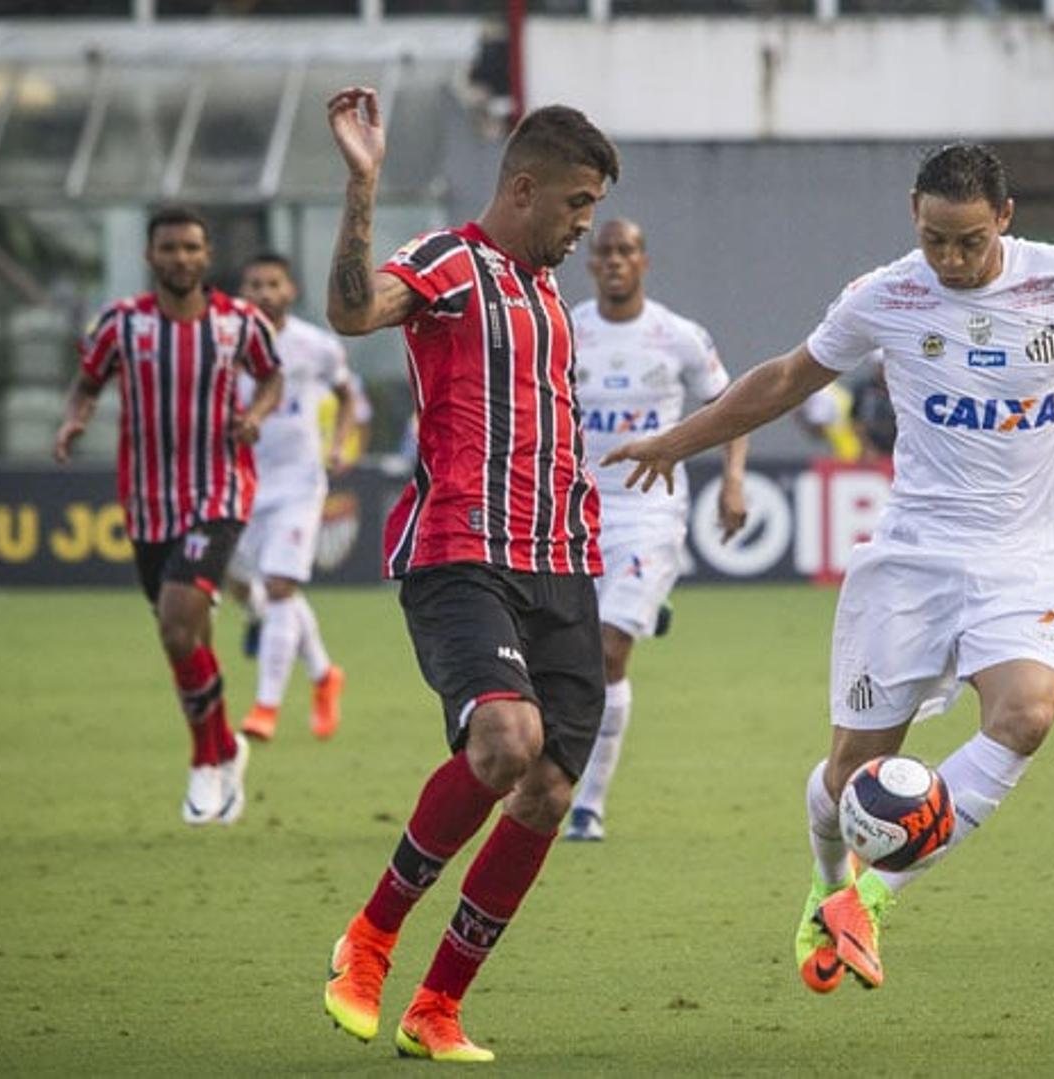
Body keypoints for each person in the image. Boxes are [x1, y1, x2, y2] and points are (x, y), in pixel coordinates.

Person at [603, 143, 1054, 993]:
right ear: (912, 217)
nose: (952, 260)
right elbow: (787, 377)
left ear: (1004, 217)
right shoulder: (885, 293)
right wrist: (677, 441)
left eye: (968, 241)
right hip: (912, 561)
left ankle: (870, 904)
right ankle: (828, 882)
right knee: (847, 777)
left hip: (1026, 562)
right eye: (935, 239)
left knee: (1028, 714)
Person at [318, 87, 619, 1061]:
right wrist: (362, 188)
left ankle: (436, 1003)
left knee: (547, 791)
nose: (585, 226)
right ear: (523, 189)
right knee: (505, 737)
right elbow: (355, 308)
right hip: (463, 549)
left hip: (564, 565)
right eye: (576, 205)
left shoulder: (545, 298)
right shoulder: (451, 263)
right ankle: (368, 940)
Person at [52, 206, 283, 827]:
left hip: (219, 490)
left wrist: (257, 413)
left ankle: (206, 763)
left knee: (180, 621)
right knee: (184, 634)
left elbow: (271, 379)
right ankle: (225, 747)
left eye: (191, 247)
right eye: (170, 248)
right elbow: (86, 382)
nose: (181, 258)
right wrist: (74, 417)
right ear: (151, 256)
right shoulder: (121, 325)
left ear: (207, 256)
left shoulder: (241, 323)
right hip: (149, 503)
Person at [561, 218, 749, 842]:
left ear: (645, 260)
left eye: (627, 251)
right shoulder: (568, 329)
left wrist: (733, 481)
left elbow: (730, 406)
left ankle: (587, 803)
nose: (615, 261)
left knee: (610, 650)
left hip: (649, 510)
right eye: (604, 252)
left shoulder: (677, 336)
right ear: (591, 263)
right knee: (565, 658)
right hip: (575, 511)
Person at [226, 252, 357, 743]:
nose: (262, 293)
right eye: (253, 284)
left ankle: (265, 706)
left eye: (272, 284)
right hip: (243, 482)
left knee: (280, 586)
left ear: (290, 291)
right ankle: (323, 673)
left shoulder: (314, 346)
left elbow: (346, 396)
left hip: (299, 482)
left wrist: (339, 443)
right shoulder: (228, 343)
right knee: (248, 587)